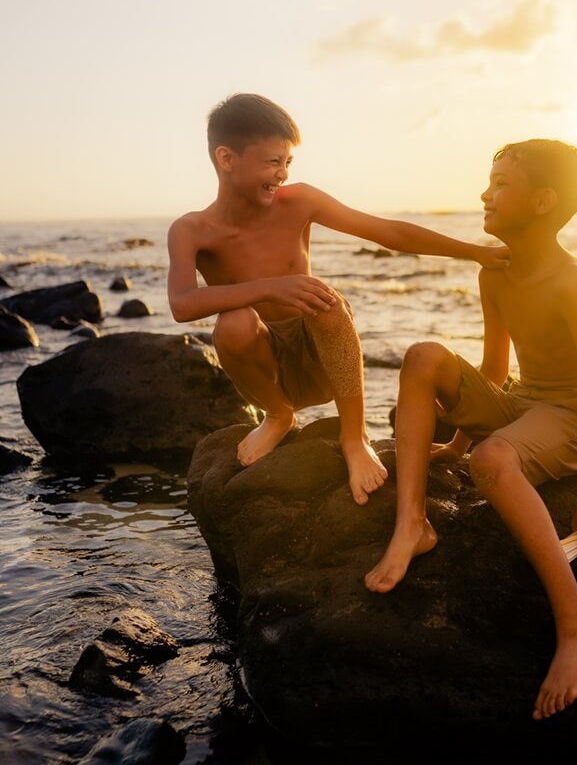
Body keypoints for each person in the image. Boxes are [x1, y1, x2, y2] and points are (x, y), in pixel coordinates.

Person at [365, 139, 577, 721]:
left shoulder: (571, 280)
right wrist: (459, 439)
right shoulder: (495, 271)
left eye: (501, 183)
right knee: (424, 354)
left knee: (495, 464)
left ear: (542, 201)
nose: (485, 193)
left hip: (570, 417)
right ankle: (412, 523)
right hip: (524, 403)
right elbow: (494, 373)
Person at [167, 93, 509, 506]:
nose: (282, 174)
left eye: (288, 163)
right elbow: (182, 304)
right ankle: (279, 415)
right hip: (267, 368)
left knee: (326, 301)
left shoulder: (299, 202)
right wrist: (271, 287)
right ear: (227, 158)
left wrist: (474, 251)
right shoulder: (192, 229)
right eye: (273, 162)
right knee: (234, 321)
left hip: (325, 358)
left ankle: (354, 436)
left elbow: (386, 232)